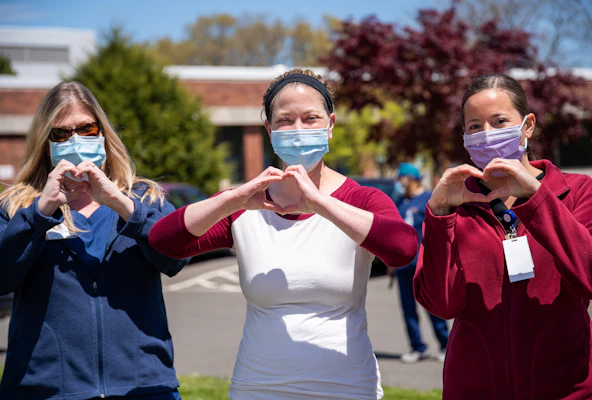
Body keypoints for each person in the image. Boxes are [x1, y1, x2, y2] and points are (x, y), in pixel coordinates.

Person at [149, 68, 419, 399]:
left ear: (330, 125)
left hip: (347, 387)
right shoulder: (246, 205)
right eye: (285, 121)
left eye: (311, 118)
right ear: (269, 129)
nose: (298, 129)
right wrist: (233, 199)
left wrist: (322, 204)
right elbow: (164, 241)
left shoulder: (362, 200)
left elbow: (403, 249)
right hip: (257, 388)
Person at [0, 82, 189, 400]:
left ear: (103, 133)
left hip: (143, 388)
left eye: (86, 129)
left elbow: (176, 258)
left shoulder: (145, 198)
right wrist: (41, 212)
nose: (75, 140)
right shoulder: (15, 207)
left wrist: (120, 203)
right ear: (46, 143)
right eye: (61, 133)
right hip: (45, 390)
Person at [414, 73, 592, 399]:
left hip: (567, 390)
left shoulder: (577, 192)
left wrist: (538, 199)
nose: (487, 135)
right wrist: (439, 215)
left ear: (528, 125)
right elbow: (442, 305)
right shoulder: (453, 204)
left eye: (499, 122)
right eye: (474, 126)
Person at [394, 163, 448, 363]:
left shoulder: (428, 199)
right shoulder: (400, 202)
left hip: (424, 265)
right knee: (408, 309)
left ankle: (445, 345)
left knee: (432, 306)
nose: (399, 182)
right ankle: (418, 347)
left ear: (411, 178)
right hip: (403, 266)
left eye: (401, 177)